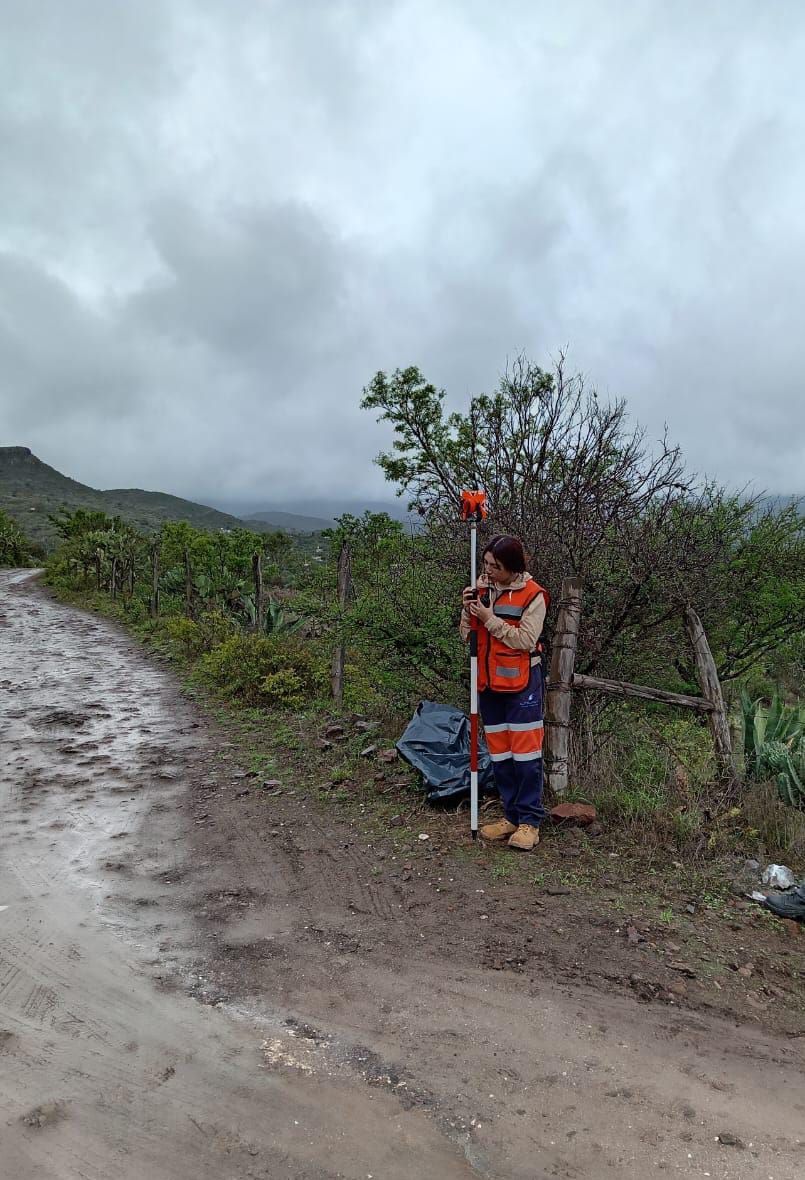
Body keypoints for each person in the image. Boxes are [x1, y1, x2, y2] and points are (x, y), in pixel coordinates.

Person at [460, 535, 549, 850]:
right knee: (501, 755)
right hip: (488, 685)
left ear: (512, 568)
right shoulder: (482, 589)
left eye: (495, 566)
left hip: (522, 685)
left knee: (526, 756)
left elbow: (525, 640)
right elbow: (466, 634)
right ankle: (511, 816)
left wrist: (488, 618)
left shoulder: (533, 596)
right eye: (485, 564)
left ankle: (530, 822)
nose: (487, 571)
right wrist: (468, 609)